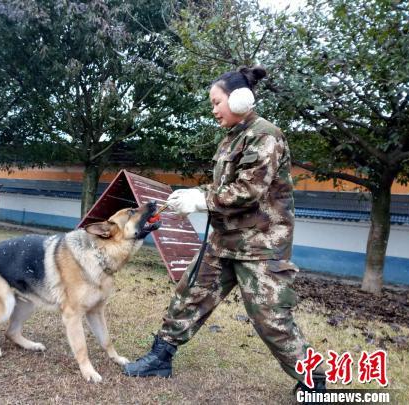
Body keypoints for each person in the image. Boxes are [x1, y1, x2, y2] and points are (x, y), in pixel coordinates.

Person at [123, 66, 326, 394]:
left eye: (217, 102)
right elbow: (226, 186)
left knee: (270, 319)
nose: (213, 109)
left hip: (260, 245)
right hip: (224, 240)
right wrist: (191, 195)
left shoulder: (266, 135)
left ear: (241, 99)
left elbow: (249, 189)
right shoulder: (233, 138)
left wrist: (201, 199)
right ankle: (160, 357)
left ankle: (313, 380)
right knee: (191, 294)